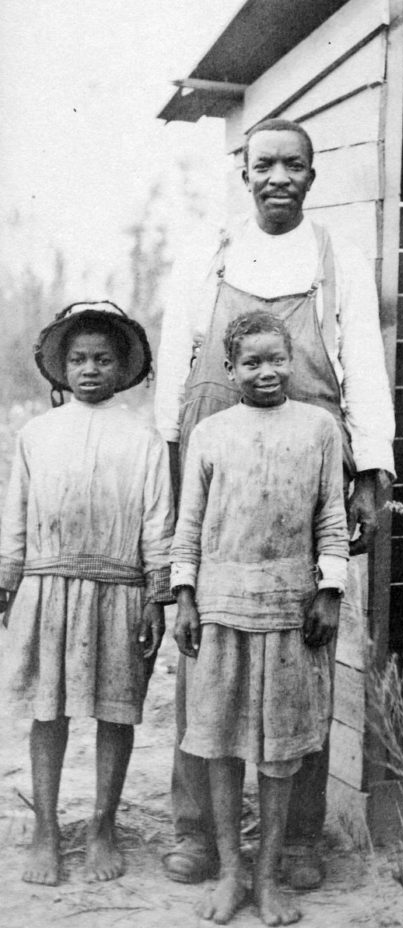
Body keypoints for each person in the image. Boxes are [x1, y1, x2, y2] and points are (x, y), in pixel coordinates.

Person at [156, 118, 395, 888]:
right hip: (219, 480)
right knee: (208, 663)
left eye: (294, 164)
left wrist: (372, 467)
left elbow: (362, 360)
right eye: (265, 164)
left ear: (313, 175)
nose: (279, 177)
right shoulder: (208, 254)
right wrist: (171, 456)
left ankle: (295, 840)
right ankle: (196, 829)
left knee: (305, 654)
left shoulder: (339, 261)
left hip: (307, 477)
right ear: (246, 173)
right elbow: (174, 371)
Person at [172, 309, 348, 925]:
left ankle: (269, 877)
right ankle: (229, 872)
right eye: (252, 362)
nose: (267, 371)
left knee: (279, 752)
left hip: (290, 610)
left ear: (293, 361)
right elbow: (188, 525)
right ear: (231, 369)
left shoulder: (319, 428)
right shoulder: (212, 433)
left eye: (278, 359)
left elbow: (332, 519)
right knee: (221, 744)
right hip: (220, 606)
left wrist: (328, 592)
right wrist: (186, 596)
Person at [0, 302, 174, 886]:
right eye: (78, 359)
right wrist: (7, 581)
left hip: (118, 590)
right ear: (61, 368)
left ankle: (103, 825)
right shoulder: (36, 434)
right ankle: (46, 828)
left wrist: (156, 594)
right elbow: (14, 515)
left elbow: (158, 521)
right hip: (47, 586)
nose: (90, 369)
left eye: (103, 359)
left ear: (122, 367)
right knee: (47, 710)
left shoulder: (144, 440)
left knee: (113, 709)